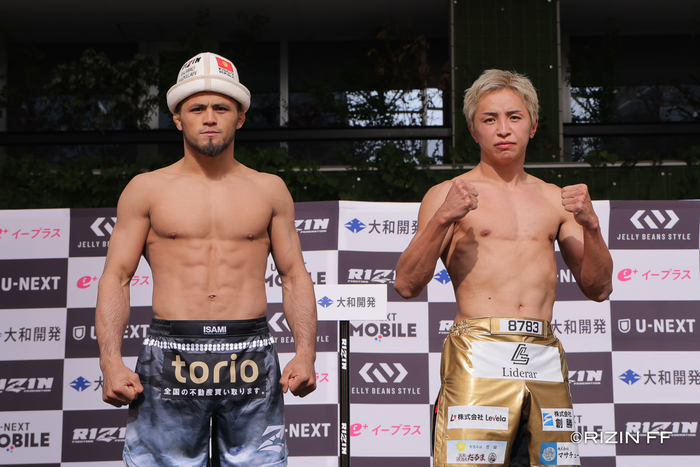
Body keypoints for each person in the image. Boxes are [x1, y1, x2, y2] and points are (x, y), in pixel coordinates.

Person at [95, 52, 317, 467]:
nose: (210, 118)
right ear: (178, 119)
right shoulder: (146, 189)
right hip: (171, 353)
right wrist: (110, 361)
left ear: (241, 118)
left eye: (221, 108)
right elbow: (116, 277)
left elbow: (294, 276)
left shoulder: (269, 189)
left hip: (250, 351)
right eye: (197, 108)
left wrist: (305, 353)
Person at [395, 69, 612, 466]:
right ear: (473, 130)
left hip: (542, 353)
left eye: (514, 117)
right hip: (478, 351)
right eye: (489, 119)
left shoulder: (555, 199)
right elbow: (407, 283)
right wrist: (444, 217)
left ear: (533, 125)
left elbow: (598, 288)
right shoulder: (447, 194)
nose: (503, 129)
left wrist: (592, 227)